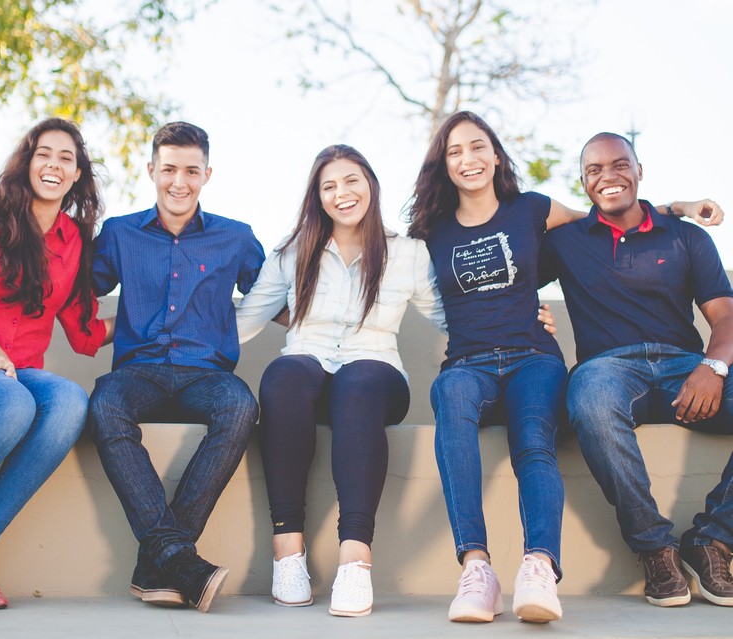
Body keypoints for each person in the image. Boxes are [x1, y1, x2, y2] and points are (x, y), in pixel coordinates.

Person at [405, 111, 720, 624]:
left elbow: (609, 214)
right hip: (468, 362)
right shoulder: (429, 231)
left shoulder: (532, 210)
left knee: (534, 439)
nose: (469, 159)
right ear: (442, 163)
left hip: (534, 357)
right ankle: (477, 568)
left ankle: (539, 567)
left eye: (479, 146)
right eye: (456, 151)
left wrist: (678, 207)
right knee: (452, 401)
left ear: (496, 155)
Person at [234, 145, 448, 617]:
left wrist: (517, 320)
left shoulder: (407, 253)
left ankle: (355, 559)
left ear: (370, 183)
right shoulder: (292, 254)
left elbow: (450, 317)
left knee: (359, 381)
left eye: (351, 180)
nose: (341, 193)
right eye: (328, 186)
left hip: (376, 374)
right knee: (284, 373)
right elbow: (243, 321)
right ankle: (288, 553)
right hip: (307, 370)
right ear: (318, 197)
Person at [540, 132, 733, 608]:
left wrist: (714, 365)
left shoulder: (686, 235)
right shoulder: (565, 241)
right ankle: (654, 548)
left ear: (639, 170)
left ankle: (712, 539)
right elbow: (505, 250)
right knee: (589, 400)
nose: (608, 176)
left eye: (619, 164)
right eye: (594, 170)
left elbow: (725, 315)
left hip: (685, 368)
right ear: (583, 183)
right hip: (608, 369)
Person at [0, 118, 111, 610]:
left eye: (66, 159)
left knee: (70, 403)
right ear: (27, 160)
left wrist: (162, 315)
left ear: (77, 175)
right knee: (11, 404)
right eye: (44, 154)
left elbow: (85, 332)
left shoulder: (75, 239)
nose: (54, 165)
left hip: (15, 370)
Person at [88, 121, 265, 614]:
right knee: (104, 406)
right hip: (137, 372)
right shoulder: (120, 233)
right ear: (151, 170)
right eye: (169, 169)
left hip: (206, 374)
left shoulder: (236, 237)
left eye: (191, 170)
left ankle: (161, 562)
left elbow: (280, 294)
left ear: (208, 174)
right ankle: (180, 560)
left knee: (240, 407)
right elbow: (76, 289)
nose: (179, 182)